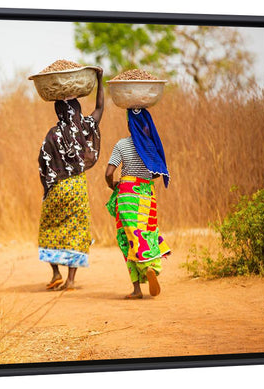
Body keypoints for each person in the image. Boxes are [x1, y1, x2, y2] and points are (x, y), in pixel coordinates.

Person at [38, 68, 104, 291]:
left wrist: (47, 188)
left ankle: (55, 272)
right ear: (77, 109)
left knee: (49, 228)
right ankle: (71, 280)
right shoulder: (85, 127)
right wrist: (100, 80)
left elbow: (44, 162)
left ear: (58, 111)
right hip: (76, 187)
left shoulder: (52, 134)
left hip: (57, 188)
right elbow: (100, 108)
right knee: (76, 230)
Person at [105, 108, 171, 299]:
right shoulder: (151, 146)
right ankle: (152, 268)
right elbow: (158, 171)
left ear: (129, 125)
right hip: (147, 195)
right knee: (148, 232)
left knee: (128, 238)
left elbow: (109, 173)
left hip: (127, 195)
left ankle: (137, 287)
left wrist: (113, 185)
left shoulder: (122, 145)